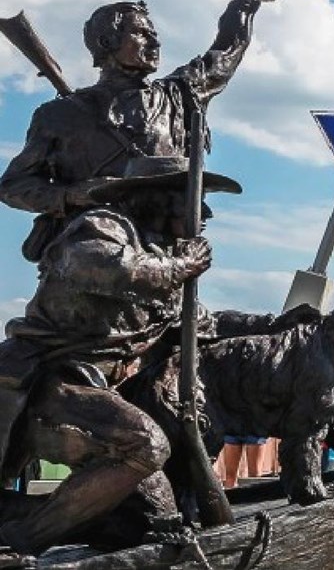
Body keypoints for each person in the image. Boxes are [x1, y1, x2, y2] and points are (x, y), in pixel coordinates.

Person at [0, 155, 239, 556]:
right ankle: (28, 535)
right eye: (194, 199)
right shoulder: (102, 226)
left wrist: (283, 325)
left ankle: (32, 521)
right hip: (44, 378)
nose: (206, 213)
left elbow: (206, 324)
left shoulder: (161, 254)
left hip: (94, 392)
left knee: (149, 521)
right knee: (145, 445)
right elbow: (108, 268)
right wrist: (180, 266)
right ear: (159, 199)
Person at [0, 0, 280, 262]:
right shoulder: (58, 115)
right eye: (141, 34)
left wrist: (246, 1)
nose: (155, 42)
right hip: (89, 255)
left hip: (170, 254)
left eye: (154, 34)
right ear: (107, 42)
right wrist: (71, 195)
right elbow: (13, 186)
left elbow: (226, 50)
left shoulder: (179, 95)